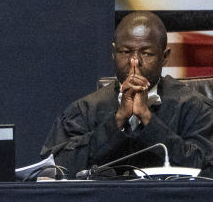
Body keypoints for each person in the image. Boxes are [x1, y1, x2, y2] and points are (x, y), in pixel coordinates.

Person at [42, 11, 213, 177]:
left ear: (165, 56)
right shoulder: (85, 109)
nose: (135, 61)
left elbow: (206, 170)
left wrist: (148, 119)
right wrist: (117, 119)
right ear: (113, 53)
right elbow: (55, 169)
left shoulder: (196, 108)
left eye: (147, 53)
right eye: (125, 52)